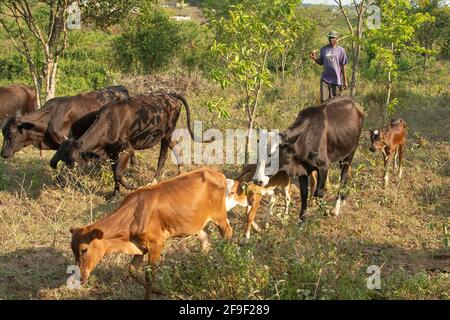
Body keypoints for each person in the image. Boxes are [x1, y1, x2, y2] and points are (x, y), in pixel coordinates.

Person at [310, 31, 348, 102]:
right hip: (325, 79)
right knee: (324, 102)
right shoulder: (324, 49)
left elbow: (343, 65)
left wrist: (345, 81)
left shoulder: (341, 50)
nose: (331, 39)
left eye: (333, 38)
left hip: (336, 80)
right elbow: (321, 62)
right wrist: (314, 58)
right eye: (330, 38)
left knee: (335, 103)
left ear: (337, 39)